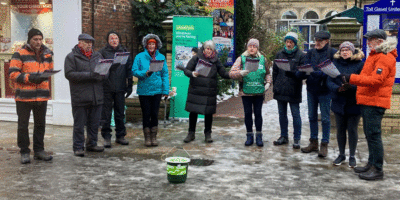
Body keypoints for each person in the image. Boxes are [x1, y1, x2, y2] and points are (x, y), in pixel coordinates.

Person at [341, 29, 397, 180]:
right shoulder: (376, 55)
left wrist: (351, 78)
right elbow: (367, 77)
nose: (367, 43)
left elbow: (376, 81)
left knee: (373, 135)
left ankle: (377, 169)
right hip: (369, 100)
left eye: (370, 40)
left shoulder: (384, 57)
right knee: (369, 134)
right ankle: (371, 164)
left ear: (379, 41)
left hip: (375, 102)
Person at [9, 28, 53, 164]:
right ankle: (24, 151)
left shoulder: (48, 53)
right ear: (29, 40)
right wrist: (30, 78)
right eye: (35, 39)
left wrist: (45, 76)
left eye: (40, 39)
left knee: (40, 125)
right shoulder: (19, 53)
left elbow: (49, 70)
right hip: (24, 96)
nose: (38, 42)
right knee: (23, 125)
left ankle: (39, 150)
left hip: (42, 96)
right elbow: (13, 74)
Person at [180, 40, 230, 143]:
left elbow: (224, 73)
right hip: (196, 90)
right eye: (207, 48)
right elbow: (186, 70)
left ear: (213, 51)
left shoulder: (216, 61)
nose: (208, 51)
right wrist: (192, 73)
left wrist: (235, 74)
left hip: (209, 92)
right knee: (193, 112)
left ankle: (208, 134)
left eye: (211, 49)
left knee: (208, 114)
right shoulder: (196, 58)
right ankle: (191, 133)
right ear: (204, 49)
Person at [64, 34, 106, 157]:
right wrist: (90, 75)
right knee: (79, 124)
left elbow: (104, 72)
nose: (89, 45)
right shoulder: (71, 57)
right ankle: (78, 147)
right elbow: (70, 74)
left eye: (91, 43)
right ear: (80, 43)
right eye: (87, 42)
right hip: (80, 96)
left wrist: (103, 74)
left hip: (96, 95)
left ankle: (92, 144)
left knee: (94, 123)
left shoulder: (98, 56)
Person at [299, 31, 337, 157]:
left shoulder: (331, 53)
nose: (317, 43)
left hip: (325, 90)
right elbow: (306, 65)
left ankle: (324, 144)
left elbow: (334, 71)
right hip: (311, 89)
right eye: (316, 40)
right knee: (312, 116)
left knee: (325, 119)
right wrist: (302, 72)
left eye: (320, 41)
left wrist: (323, 74)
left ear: (326, 41)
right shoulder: (310, 52)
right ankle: (313, 142)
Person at [327, 41, 364, 168]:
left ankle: (352, 155)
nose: (345, 52)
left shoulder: (360, 64)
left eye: (347, 50)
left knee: (352, 130)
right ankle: (341, 154)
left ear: (352, 51)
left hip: (354, 102)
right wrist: (337, 89)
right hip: (338, 100)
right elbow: (329, 80)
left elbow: (362, 82)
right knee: (340, 130)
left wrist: (350, 87)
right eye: (342, 50)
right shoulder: (335, 64)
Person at [229, 38, 271, 147]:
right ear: (247, 47)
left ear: (257, 48)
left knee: (258, 114)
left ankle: (259, 136)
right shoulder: (241, 58)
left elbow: (267, 73)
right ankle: (249, 135)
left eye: (254, 46)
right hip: (246, 92)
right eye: (250, 46)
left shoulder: (263, 59)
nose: (252, 48)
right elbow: (231, 73)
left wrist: (268, 82)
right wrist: (240, 73)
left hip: (259, 92)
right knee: (247, 114)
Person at [132, 34, 169, 147]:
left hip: (157, 90)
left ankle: (154, 137)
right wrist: (145, 73)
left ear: (156, 45)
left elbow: (165, 74)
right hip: (144, 91)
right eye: (149, 44)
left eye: (153, 44)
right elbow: (134, 71)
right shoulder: (139, 57)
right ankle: (147, 137)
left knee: (154, 114)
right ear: (146, 45)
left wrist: (165, 90)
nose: (151, 46)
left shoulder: (161, 57)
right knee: (146, 113)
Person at [99, 31, 133, 148]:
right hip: (106, 87)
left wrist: (129, 85)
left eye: (116, 38)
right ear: (108, 40)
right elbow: (100, 70)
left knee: (120, 113)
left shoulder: (124, 52)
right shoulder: (102, 53)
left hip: (120, 87)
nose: (114, 40)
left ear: (119, 40)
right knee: (106, 114)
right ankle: (107, 137)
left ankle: (120, 136)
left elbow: (129, 69)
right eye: (111, 38)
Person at [272, 32, 306, 149]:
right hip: (280, 88)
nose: (289, 44)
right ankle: (283, 136)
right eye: (287, 42)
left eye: (291, 42)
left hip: (294, 89)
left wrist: (295, 74)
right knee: (282, 114)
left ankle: (297, 138)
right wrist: (275, 85)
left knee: (295, 115)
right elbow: (275, 72)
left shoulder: (301, 55)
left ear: (295, 43)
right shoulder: (279, 54)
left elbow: (303, 73)